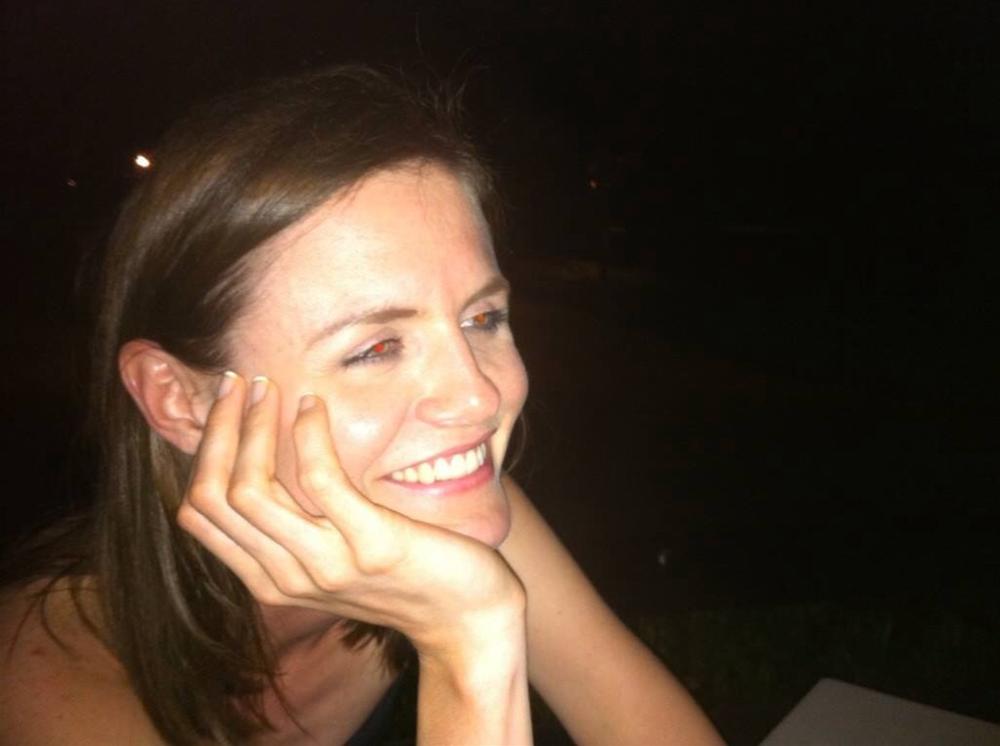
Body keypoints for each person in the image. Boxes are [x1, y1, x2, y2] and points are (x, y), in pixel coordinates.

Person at [0, 65, 723, 745]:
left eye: (482, 319)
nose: (479, 397)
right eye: (375, 349)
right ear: (179, 399)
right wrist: (469, 646)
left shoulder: (445, 510)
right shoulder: (42, 674)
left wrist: (474, 617)